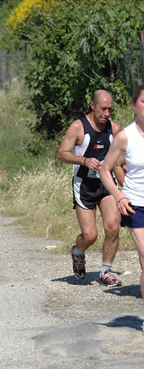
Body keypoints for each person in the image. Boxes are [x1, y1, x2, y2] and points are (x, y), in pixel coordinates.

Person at [56, 89, 122, 286]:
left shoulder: (114, 129)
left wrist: (125, 187)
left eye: (110, 110)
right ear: (93, 106)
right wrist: (83, 160)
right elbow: (61, 154)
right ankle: (77, 252)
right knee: (90, 235)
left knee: (113, 228)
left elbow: (120, 161)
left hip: (106, 184)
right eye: (103, 109)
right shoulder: (78, 127)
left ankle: (105, 271)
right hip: (83, 185)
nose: (107, 114)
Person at [100, 85, 144, 305]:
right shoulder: (125, 137)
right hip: (135, 203)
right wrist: (119, 196)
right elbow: (104, 170)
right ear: (134, 104)